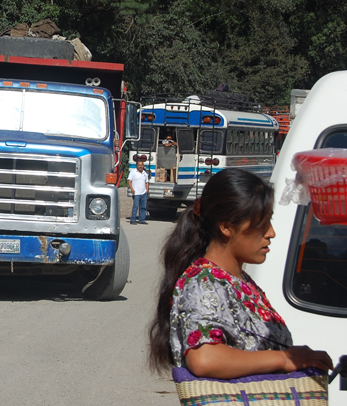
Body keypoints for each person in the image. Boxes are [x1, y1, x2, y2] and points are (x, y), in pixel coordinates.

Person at [148, 168, 332, 379]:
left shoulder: (237, 281)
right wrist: (285, 359)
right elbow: (204, 358)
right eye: (262, 224)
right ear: (226, 226)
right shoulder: (202, 283)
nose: (271, 233)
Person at [128, 160, 149, 225]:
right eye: (139, 165)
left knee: (143, 207)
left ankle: (142, 220)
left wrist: (147, 190)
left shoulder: (145, 173)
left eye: (141, 165)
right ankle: (133, 220)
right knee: (135, 206)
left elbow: (147, 182)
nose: (140, 166)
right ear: (137, 166)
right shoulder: (133, 172)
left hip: (143, 193)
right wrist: (132, 189)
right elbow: (129, 181)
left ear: (143, 166)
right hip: (136, 193)